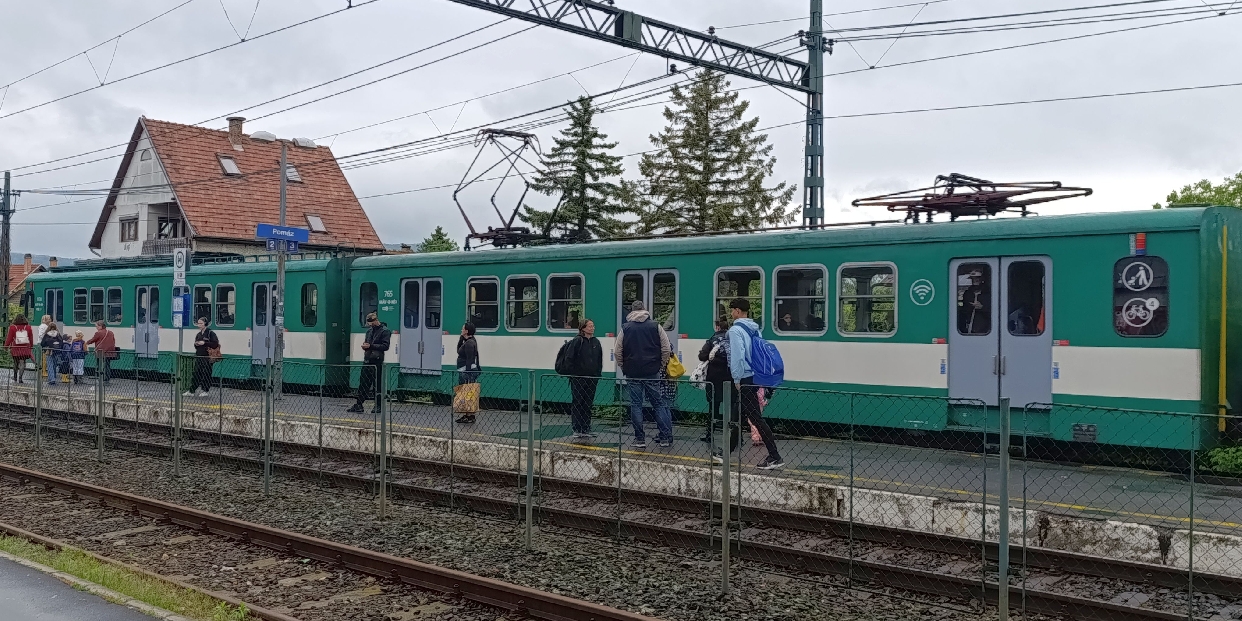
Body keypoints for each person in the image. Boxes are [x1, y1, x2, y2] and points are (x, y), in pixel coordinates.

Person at [724, 298, 784, 470]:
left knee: (755, 418)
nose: (731, 313)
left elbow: (738, 356)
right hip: (756, 377)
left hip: (745, 378)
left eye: (732, 310)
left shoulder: (735, 330)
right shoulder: (755, 329)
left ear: (736, 311)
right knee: (737, 415)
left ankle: (775, 456)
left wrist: (736, 378)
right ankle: (726, 452)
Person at [614, 300, 672, 449]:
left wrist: (624, 366)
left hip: (633, 372)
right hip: (652, 371)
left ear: (632, 311)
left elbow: (617, 351)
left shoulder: (625, 328)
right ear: (644, 310)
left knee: (636, 405)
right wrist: (660, 365)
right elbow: (666, 348)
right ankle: (665, 437)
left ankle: (640, 439)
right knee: (658, 404)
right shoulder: (656, 326)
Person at [698, 317, 739, 452]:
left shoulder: (712, 340)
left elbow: (702, 356)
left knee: (713, 407)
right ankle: (736, 437)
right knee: (732, 408)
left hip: (714, 379)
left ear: (717, 327)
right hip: (730, 378)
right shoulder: (731, 339)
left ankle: (710, 434)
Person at [565, 319, 603, 439]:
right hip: (579, 378)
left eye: (593, 326)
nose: (592, 328)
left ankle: (586, 427)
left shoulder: (596, 342)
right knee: (578, 402)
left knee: (588, 403)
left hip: (592, 378)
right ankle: (577, 428)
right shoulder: (577, 341)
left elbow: (599, 359)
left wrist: (597, 374)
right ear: (583, 328)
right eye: (590, 326)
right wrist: (574, 373)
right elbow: (569, 358)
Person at [348, 312, 390, 414]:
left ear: (375, 321)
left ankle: (378, 405)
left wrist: (370, 346)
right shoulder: (369, 332)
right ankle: (359, 404)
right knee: (363, 384)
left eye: (371, 323)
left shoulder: (385, 331)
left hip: (377, 361)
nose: (369, 325)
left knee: (377, 384)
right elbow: (369, 343)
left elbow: (385, 346)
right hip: (367, 359)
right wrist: (366, 346)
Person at [455, 321, 481, 424]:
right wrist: (461, 338)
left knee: (467, 394)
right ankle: (467, 415)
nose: (461, 330)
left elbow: (470, 359)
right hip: (464, 370)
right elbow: (458, 350)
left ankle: (470, 416)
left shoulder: (470, 343)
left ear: (466, 331)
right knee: (466, 394)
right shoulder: (469, 341)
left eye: (463, 329)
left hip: (466, 371)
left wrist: (468, 373)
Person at [186, 317, 219, 398]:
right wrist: (196, 344)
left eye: (201, 323)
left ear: (205, 324)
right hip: (199, 356)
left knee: (206, 373)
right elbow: (196, 345)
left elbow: (215, 344)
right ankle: (192, 390)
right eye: (198, 323)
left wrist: (204, 343)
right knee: (196, 373)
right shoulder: (198, 334)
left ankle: (205, 390)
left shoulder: (210, 333)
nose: (199, 325)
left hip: (207, 357)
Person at [5, 314, 34, 384]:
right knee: (22, 362)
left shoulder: (12, 327)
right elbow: (31, 338)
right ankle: (20, 378)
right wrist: (31, 346)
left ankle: (15, 376)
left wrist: (6, 346)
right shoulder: (28, 327)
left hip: (15, 348)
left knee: (15, 362)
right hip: (25, 348)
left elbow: (9, 338)